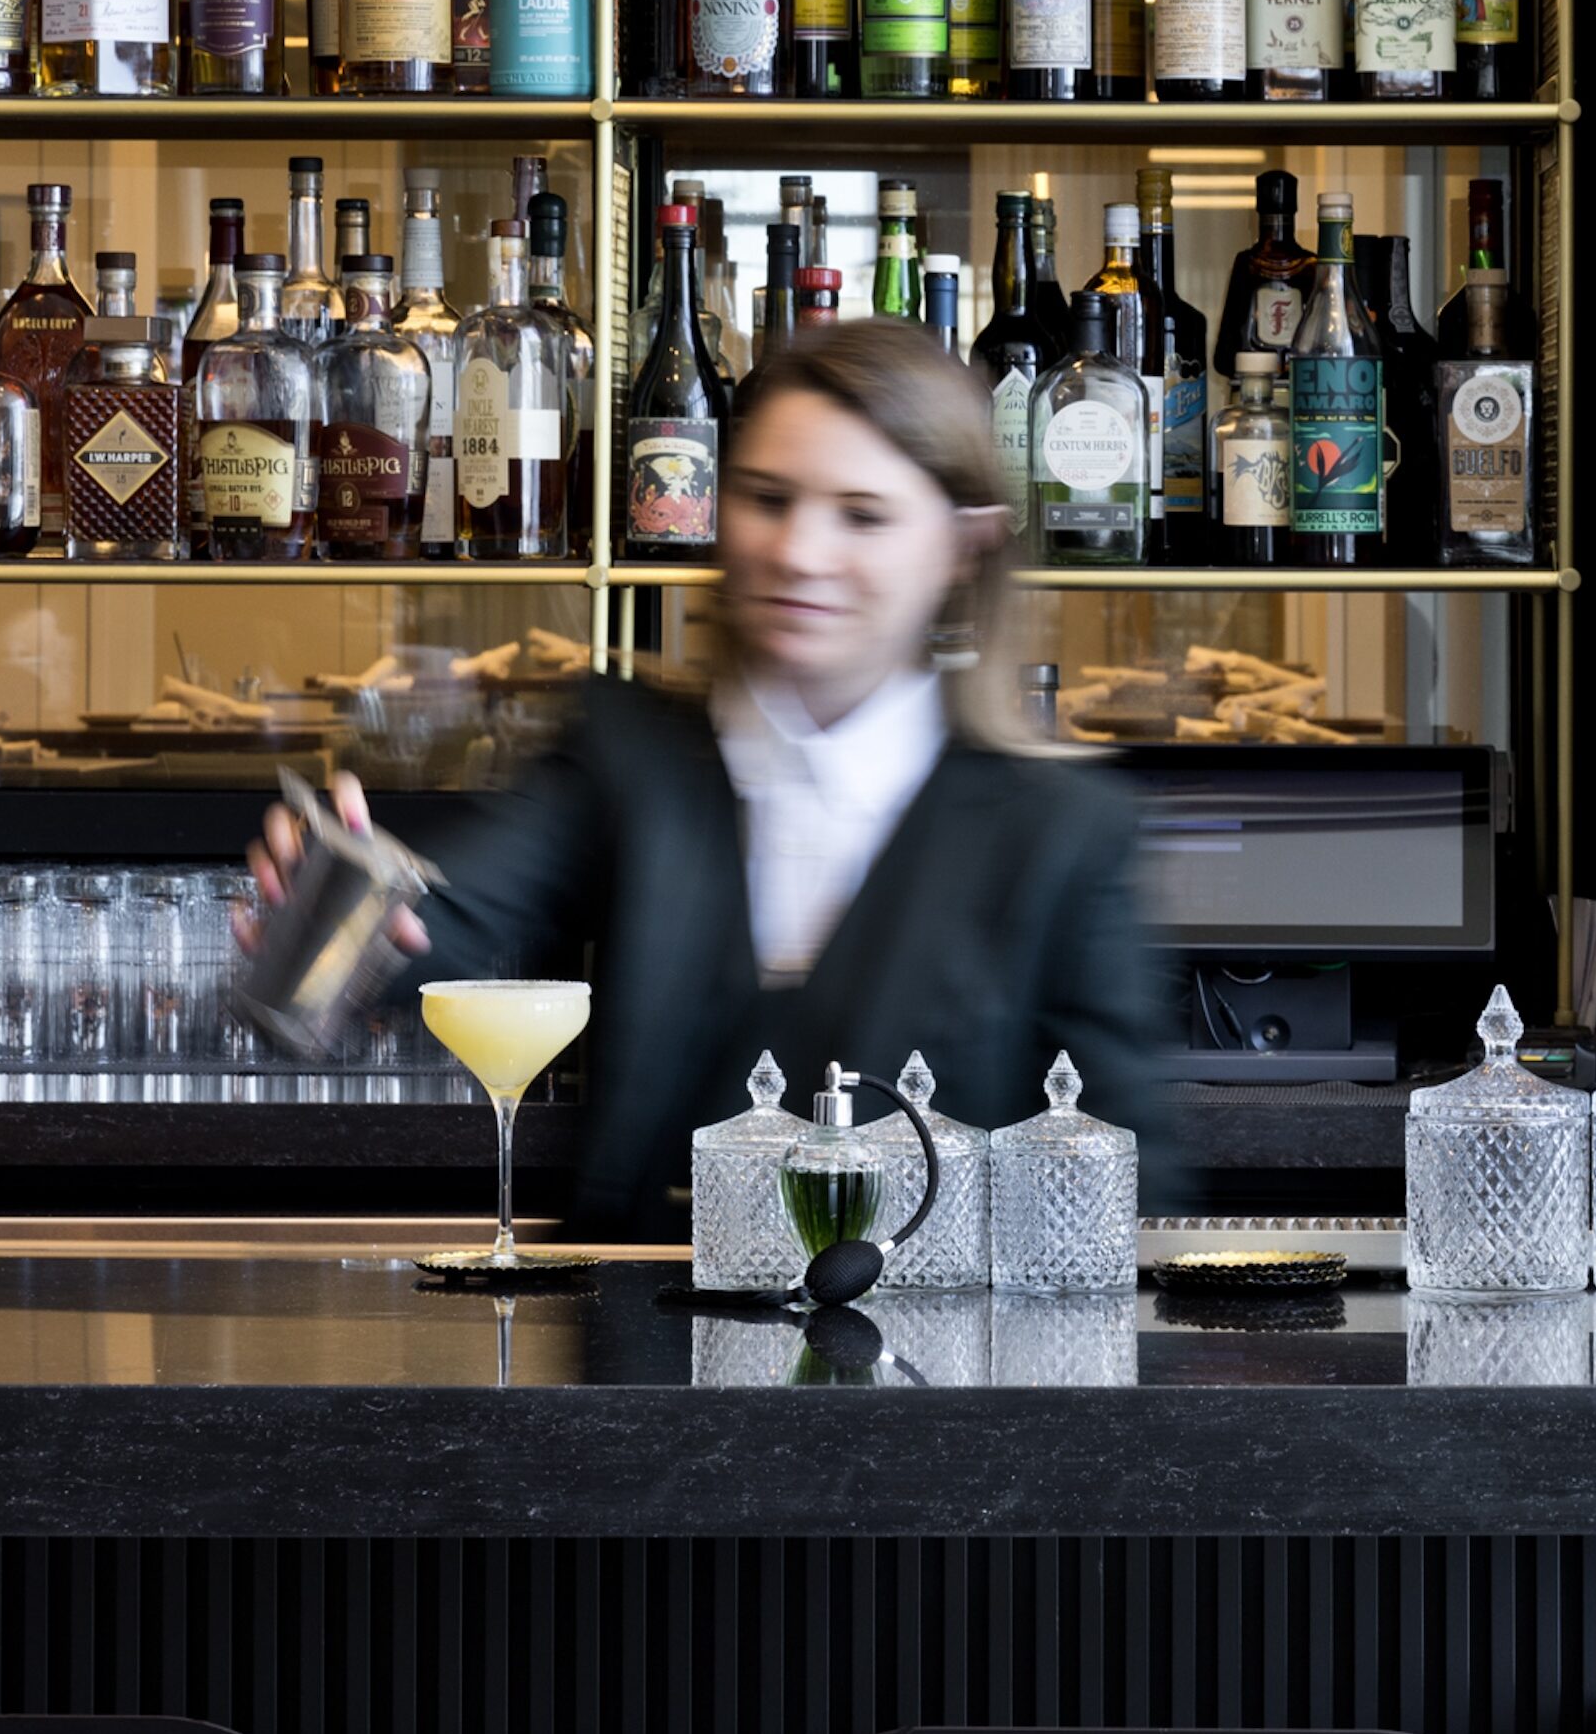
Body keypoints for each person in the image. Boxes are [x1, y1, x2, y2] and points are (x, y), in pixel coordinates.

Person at [250, 321, 1174, 1241]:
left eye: (863, 515)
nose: (800, 552)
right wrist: (342, 911)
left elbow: (1133, 1190)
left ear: (963, 548)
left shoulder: (1061, 832)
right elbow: (449, 915)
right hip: (643, 1361)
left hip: (927, 1374)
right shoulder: (626, 754)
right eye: (769, 499)